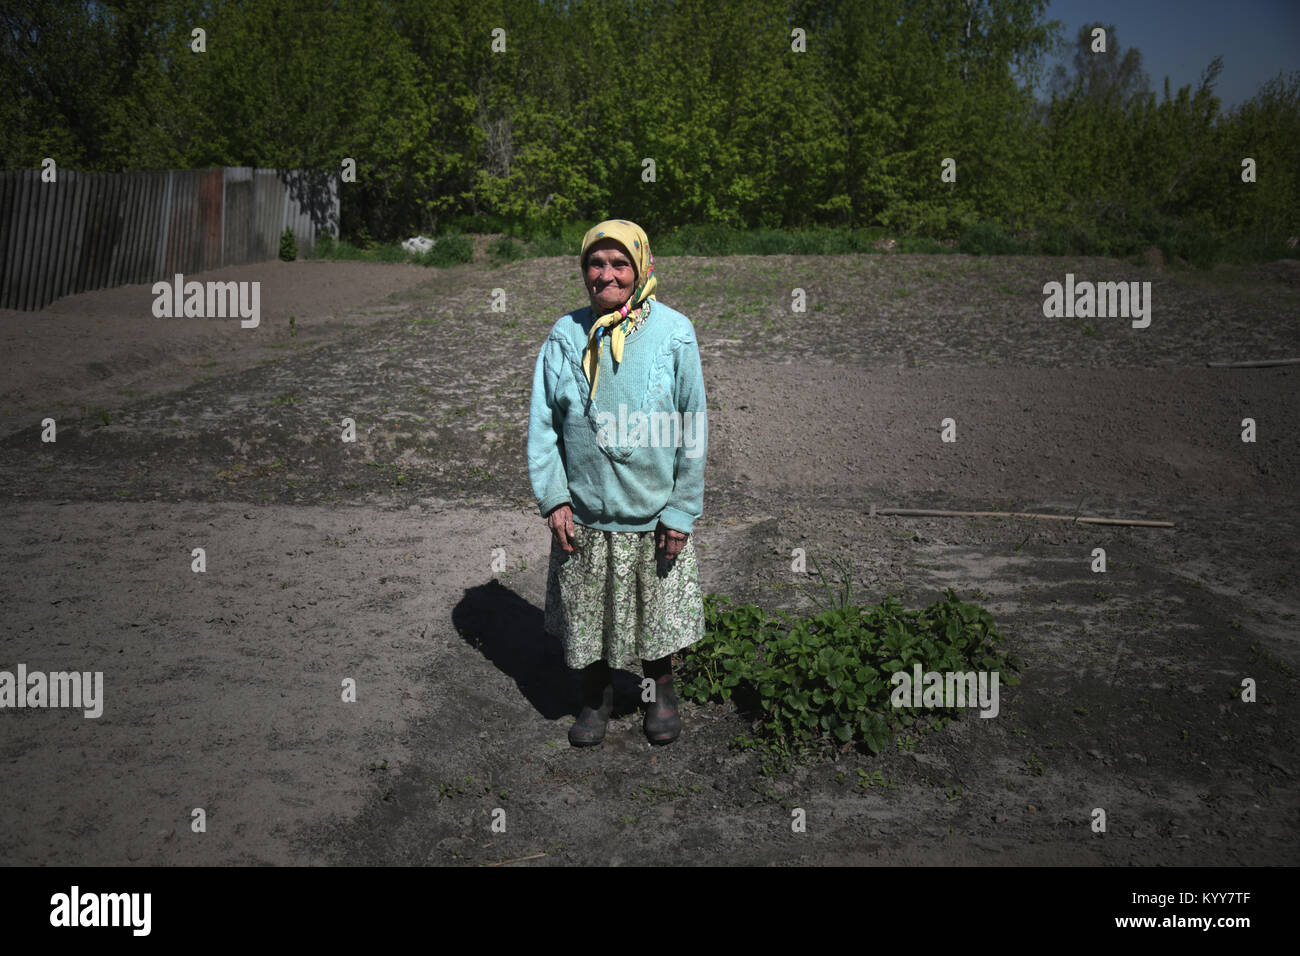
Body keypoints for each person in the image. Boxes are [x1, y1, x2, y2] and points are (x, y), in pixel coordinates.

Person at [527, 219, 708, 747]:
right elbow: (543, 427)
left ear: (641, 268)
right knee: (590, 618)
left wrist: (681, 508)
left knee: (656, 617)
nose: (606, 275)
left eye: (619, 264)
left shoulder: (675, 332)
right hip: (585, 512)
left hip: (653, 511)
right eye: (596, 263)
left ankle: (660, 692)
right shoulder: (564, 335)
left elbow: (692, 424)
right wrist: (555, 498)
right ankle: (595, 697)